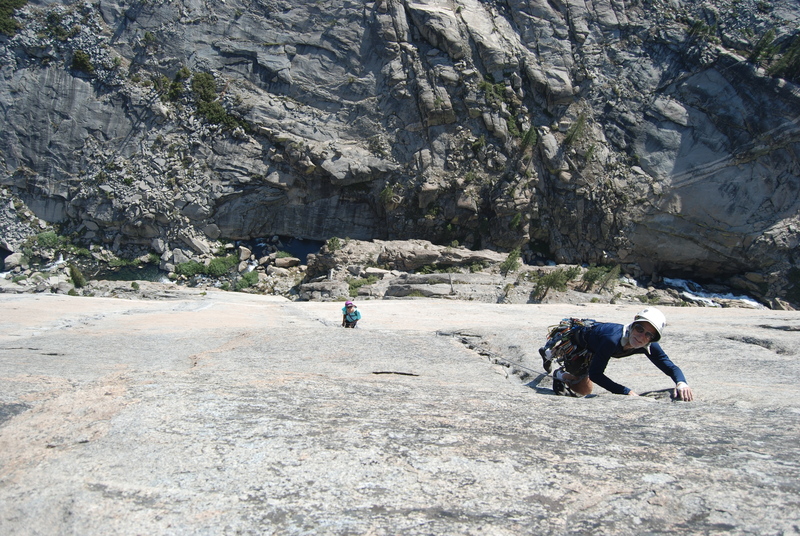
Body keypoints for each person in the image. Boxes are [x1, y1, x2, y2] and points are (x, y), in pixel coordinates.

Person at [539, 307, 694, 401]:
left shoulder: (648, 344)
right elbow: (596, 374)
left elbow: (669, 367)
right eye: (639, 329)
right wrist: (625, 391)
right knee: (584, 389)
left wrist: (681, 383)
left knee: (585, 388)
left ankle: (550, 355)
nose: (641, 337)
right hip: (579, 343)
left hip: (596, 345)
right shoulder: (612, 340)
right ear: (633, 324)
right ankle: (559, 372)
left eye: (649, 335)